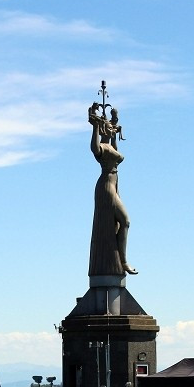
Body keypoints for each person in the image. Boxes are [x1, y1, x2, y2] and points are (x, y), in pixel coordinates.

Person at [87, 102, 137, 277]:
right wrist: (95, 127)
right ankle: (122, 261)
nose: (111, 129)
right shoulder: (102, 147)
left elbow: (116, 151)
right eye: (107, 127)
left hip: (114, 185)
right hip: (106, 187)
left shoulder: (111, 146)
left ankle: (121, 260)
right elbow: (94, 148)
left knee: (118, 224)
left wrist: (114, 120)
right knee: (125, 221)